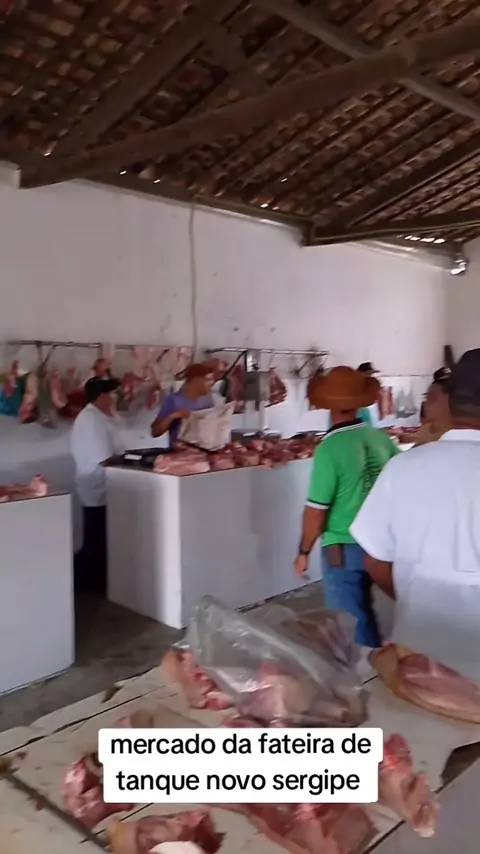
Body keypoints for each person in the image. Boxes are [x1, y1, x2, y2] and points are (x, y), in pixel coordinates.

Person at [350, 349, 480, 679]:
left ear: (449, 403)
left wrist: (414, 599)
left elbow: (375, 561)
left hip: (418, 660)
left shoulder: (403, 469)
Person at [294, 366, 399, 647]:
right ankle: (379, 660)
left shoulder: (329, 448)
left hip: (343, 546)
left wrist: (303, 551)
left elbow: (317, 511)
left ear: (328, 406)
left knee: (350, 621)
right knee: (381, 613)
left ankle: (365, 666)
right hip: (384, 543)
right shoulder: (381, 439)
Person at [71, 377, 125, 595]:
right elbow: (103, 458)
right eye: (112, 394)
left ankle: (94, 583)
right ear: (102, 396)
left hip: (99, 484)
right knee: (95, 538)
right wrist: (127, 461)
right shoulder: (91, 419)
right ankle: (85, 586)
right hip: (95, 485)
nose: (115, 397)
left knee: (98, 537)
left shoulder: (98, 416)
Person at [151, 363, 215, 448]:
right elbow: (155, 432)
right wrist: (174, 416)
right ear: (195, 381)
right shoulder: (174, 401)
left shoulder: (208, 401)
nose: (212, 383)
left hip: (204, 451)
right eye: (208, 379)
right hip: (180, 453)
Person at [413, 367, 452, 446]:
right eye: (427, 398)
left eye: (432, 398)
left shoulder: (457, 433)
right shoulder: (426, 430)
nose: (427, 405)